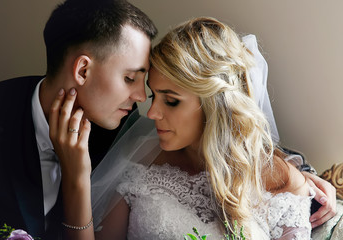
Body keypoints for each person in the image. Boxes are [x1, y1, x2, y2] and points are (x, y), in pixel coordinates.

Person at [49, 17, 336, 239]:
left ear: (216, 106)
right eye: (154, 96)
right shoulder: (142, 163)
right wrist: (77, 177)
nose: (152, 113)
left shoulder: (284, 184)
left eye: (171, 101)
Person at [0, 0, 157, 239]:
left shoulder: (126, 137)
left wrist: (77, 177)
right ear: (83, 70)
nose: (141, 96)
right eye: (129, 78)